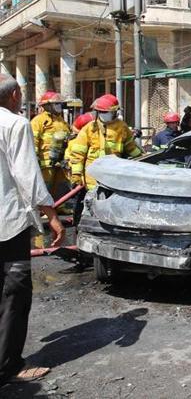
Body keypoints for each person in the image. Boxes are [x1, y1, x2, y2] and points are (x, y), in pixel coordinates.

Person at [0, 74, 65, 385]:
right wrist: (50, 213)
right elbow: (27, 174)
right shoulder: (18, 124)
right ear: (14, 95)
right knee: (14, 291)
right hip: (8, 222)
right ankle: (8, 365)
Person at [67, 94, 143, 191]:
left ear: (115, 111)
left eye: (106, 112)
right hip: (92, 175)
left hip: (114, 173)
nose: (103, 114)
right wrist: (76, 174)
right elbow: (78, 153)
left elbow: (131, 148)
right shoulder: (90, 128)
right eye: (101, 112)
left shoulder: (122, 127)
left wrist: (142, 160)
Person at [30, 91, 71, 199]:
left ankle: (59, 207)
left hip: (60, 162)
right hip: (45, 164)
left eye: (59, 103)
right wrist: (35, 158)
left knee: (60, 186)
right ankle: (43, 210)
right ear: (47, 106)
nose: (59, 106)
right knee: (44, 187)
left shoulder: (62, 121)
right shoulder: (38, 121)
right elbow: (33, 140)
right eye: (56, 104)